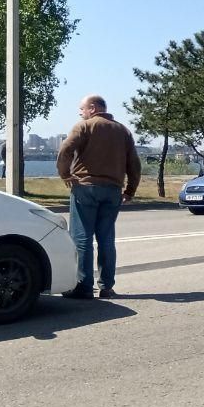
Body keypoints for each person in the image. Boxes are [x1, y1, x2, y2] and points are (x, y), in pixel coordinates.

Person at [56, 94, 141, 299]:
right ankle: (107, 287)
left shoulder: (84, 126)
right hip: (112, 190)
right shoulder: (123, 130)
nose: (80, 112)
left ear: (92, 108)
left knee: (82, 238)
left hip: (86, 187)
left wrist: (65, 174)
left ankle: (83, 287)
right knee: (106, 239)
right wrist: (130, 190)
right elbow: (134, 165)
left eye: (82, 109)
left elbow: (66, 150)